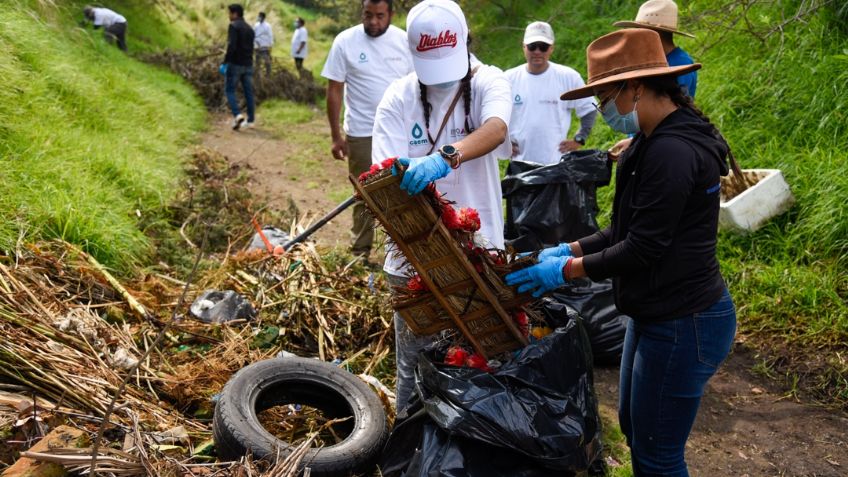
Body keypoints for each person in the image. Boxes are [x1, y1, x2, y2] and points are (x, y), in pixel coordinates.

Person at [506, 29, 736, 477]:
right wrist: (566, 247)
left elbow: (644, 247)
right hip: (653, 314)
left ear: (635, 86)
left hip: (683, 320)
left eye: (604, 96)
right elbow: (626, 229)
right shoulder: (652, 139)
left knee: (658, 455)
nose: (601, 109)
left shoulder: (672, 150)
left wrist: (568, 271)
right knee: (637, 428)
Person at [372, 0, 512, 409]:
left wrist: (444, 157)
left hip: (479, 250)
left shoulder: (490, 81)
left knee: (481, 358)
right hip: (413, 258)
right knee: (414, 368)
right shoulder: (398, 98)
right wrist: (396, 173)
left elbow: (497, 128)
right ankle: (412, 455)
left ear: (465, 41)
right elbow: (382, 174)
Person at [321, 0, 413, 261]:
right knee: (364, 193)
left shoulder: (404, 41)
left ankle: (403, 253)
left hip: (398, 132)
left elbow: (416, 86)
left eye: (380, 16)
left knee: (403, 192)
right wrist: (336, 135)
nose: (374, 21)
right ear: (361, 13)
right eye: (368, 15)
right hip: (361, 132)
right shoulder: (345, 41)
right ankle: (360, 251)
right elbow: (334, 89)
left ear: (391, 15)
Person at [609, 0, 698, 160]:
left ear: (654, 34)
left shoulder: (680, 65)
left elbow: (671, 115)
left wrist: (635, 141)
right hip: (643, 141)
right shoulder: (650, 60)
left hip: (661, 146)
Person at [505, 21, 596, 164]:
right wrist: (503, 143)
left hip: (556, 163)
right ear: (523, 47)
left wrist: (580, 138)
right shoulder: (507, 79)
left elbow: (589, 108)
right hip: (519, 165)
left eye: (543, 47)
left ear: (551, 48)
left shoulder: (568, 77)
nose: (537, 51)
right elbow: (494, 117)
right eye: (532, 46)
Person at [222, 4, 255, 130]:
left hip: (235, 64)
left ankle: (237, 115)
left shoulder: (233, 26)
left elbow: (231, 46)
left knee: (229, 90)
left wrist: (225, 62)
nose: (229, 16)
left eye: (229, 13)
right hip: (248, 64)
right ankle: (251, 120)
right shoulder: (250, 29)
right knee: (249, 93)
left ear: (235, 14)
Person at [253, 12, 274, 77]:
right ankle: (257, 75)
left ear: (263, 17)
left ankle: (268, 74)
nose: (258, 17)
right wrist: (253, 44)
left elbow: (270, 35)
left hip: (265, 46)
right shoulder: (256, 25)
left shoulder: (267, 26)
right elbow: (253, 35)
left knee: (267, 61)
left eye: (260, 16)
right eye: (258, 16)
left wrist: (270, 45)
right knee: (257, 61)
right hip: (257, 46)